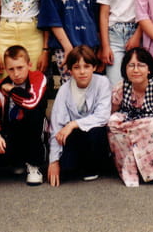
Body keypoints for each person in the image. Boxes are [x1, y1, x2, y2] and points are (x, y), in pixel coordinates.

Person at [107, 48, 153, 187]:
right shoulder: (122, 87)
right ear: (125, 69)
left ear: (149, 69)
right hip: (131, 122)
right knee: (113, 121)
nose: (136, 70)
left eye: (141, 65)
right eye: (131, 65)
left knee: (152, 124)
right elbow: (112, 112)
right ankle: (128, 167)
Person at [48, 45, 112, 186]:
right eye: (77, 67)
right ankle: (77, 164)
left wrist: (73, 124)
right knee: (66, 168)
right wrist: (54, 161)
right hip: (76, 137)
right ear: (70, 70)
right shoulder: (64, 90)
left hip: (95, 134)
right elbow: (56, 125)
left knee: (95, 132)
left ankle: (94, 166)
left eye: (87, 66)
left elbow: (102, 116)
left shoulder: (102, 82)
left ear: (94, 67)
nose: (82, 72)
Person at [0, 45, 48, 186]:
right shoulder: (0, 86)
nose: (16, 73)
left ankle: (34, 164)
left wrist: (12, 90)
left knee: (33, 115)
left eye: (20, 67)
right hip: (13, 127)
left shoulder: (38, 77)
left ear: (29, 65)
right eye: (11, 69)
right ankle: (18, 160)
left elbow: (31, 102)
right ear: (6, 69)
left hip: (34, 126)